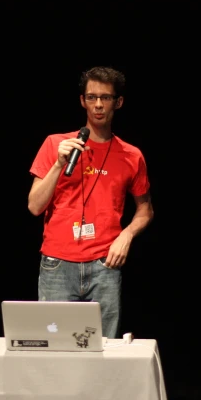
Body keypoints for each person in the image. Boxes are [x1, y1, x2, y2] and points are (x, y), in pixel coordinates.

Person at [27, 66, 154, 339]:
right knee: (55, 345)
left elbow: (145, 210)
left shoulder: (131, 155)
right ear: (82, 100)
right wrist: (59, 165)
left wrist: (127, 235)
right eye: (92, 97)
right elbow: (34, 206)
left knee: (102, 348)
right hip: (57, 264)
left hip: (104, 266)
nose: (98, 105)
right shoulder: (56, 144)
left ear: (118, 102)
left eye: (106, 98)